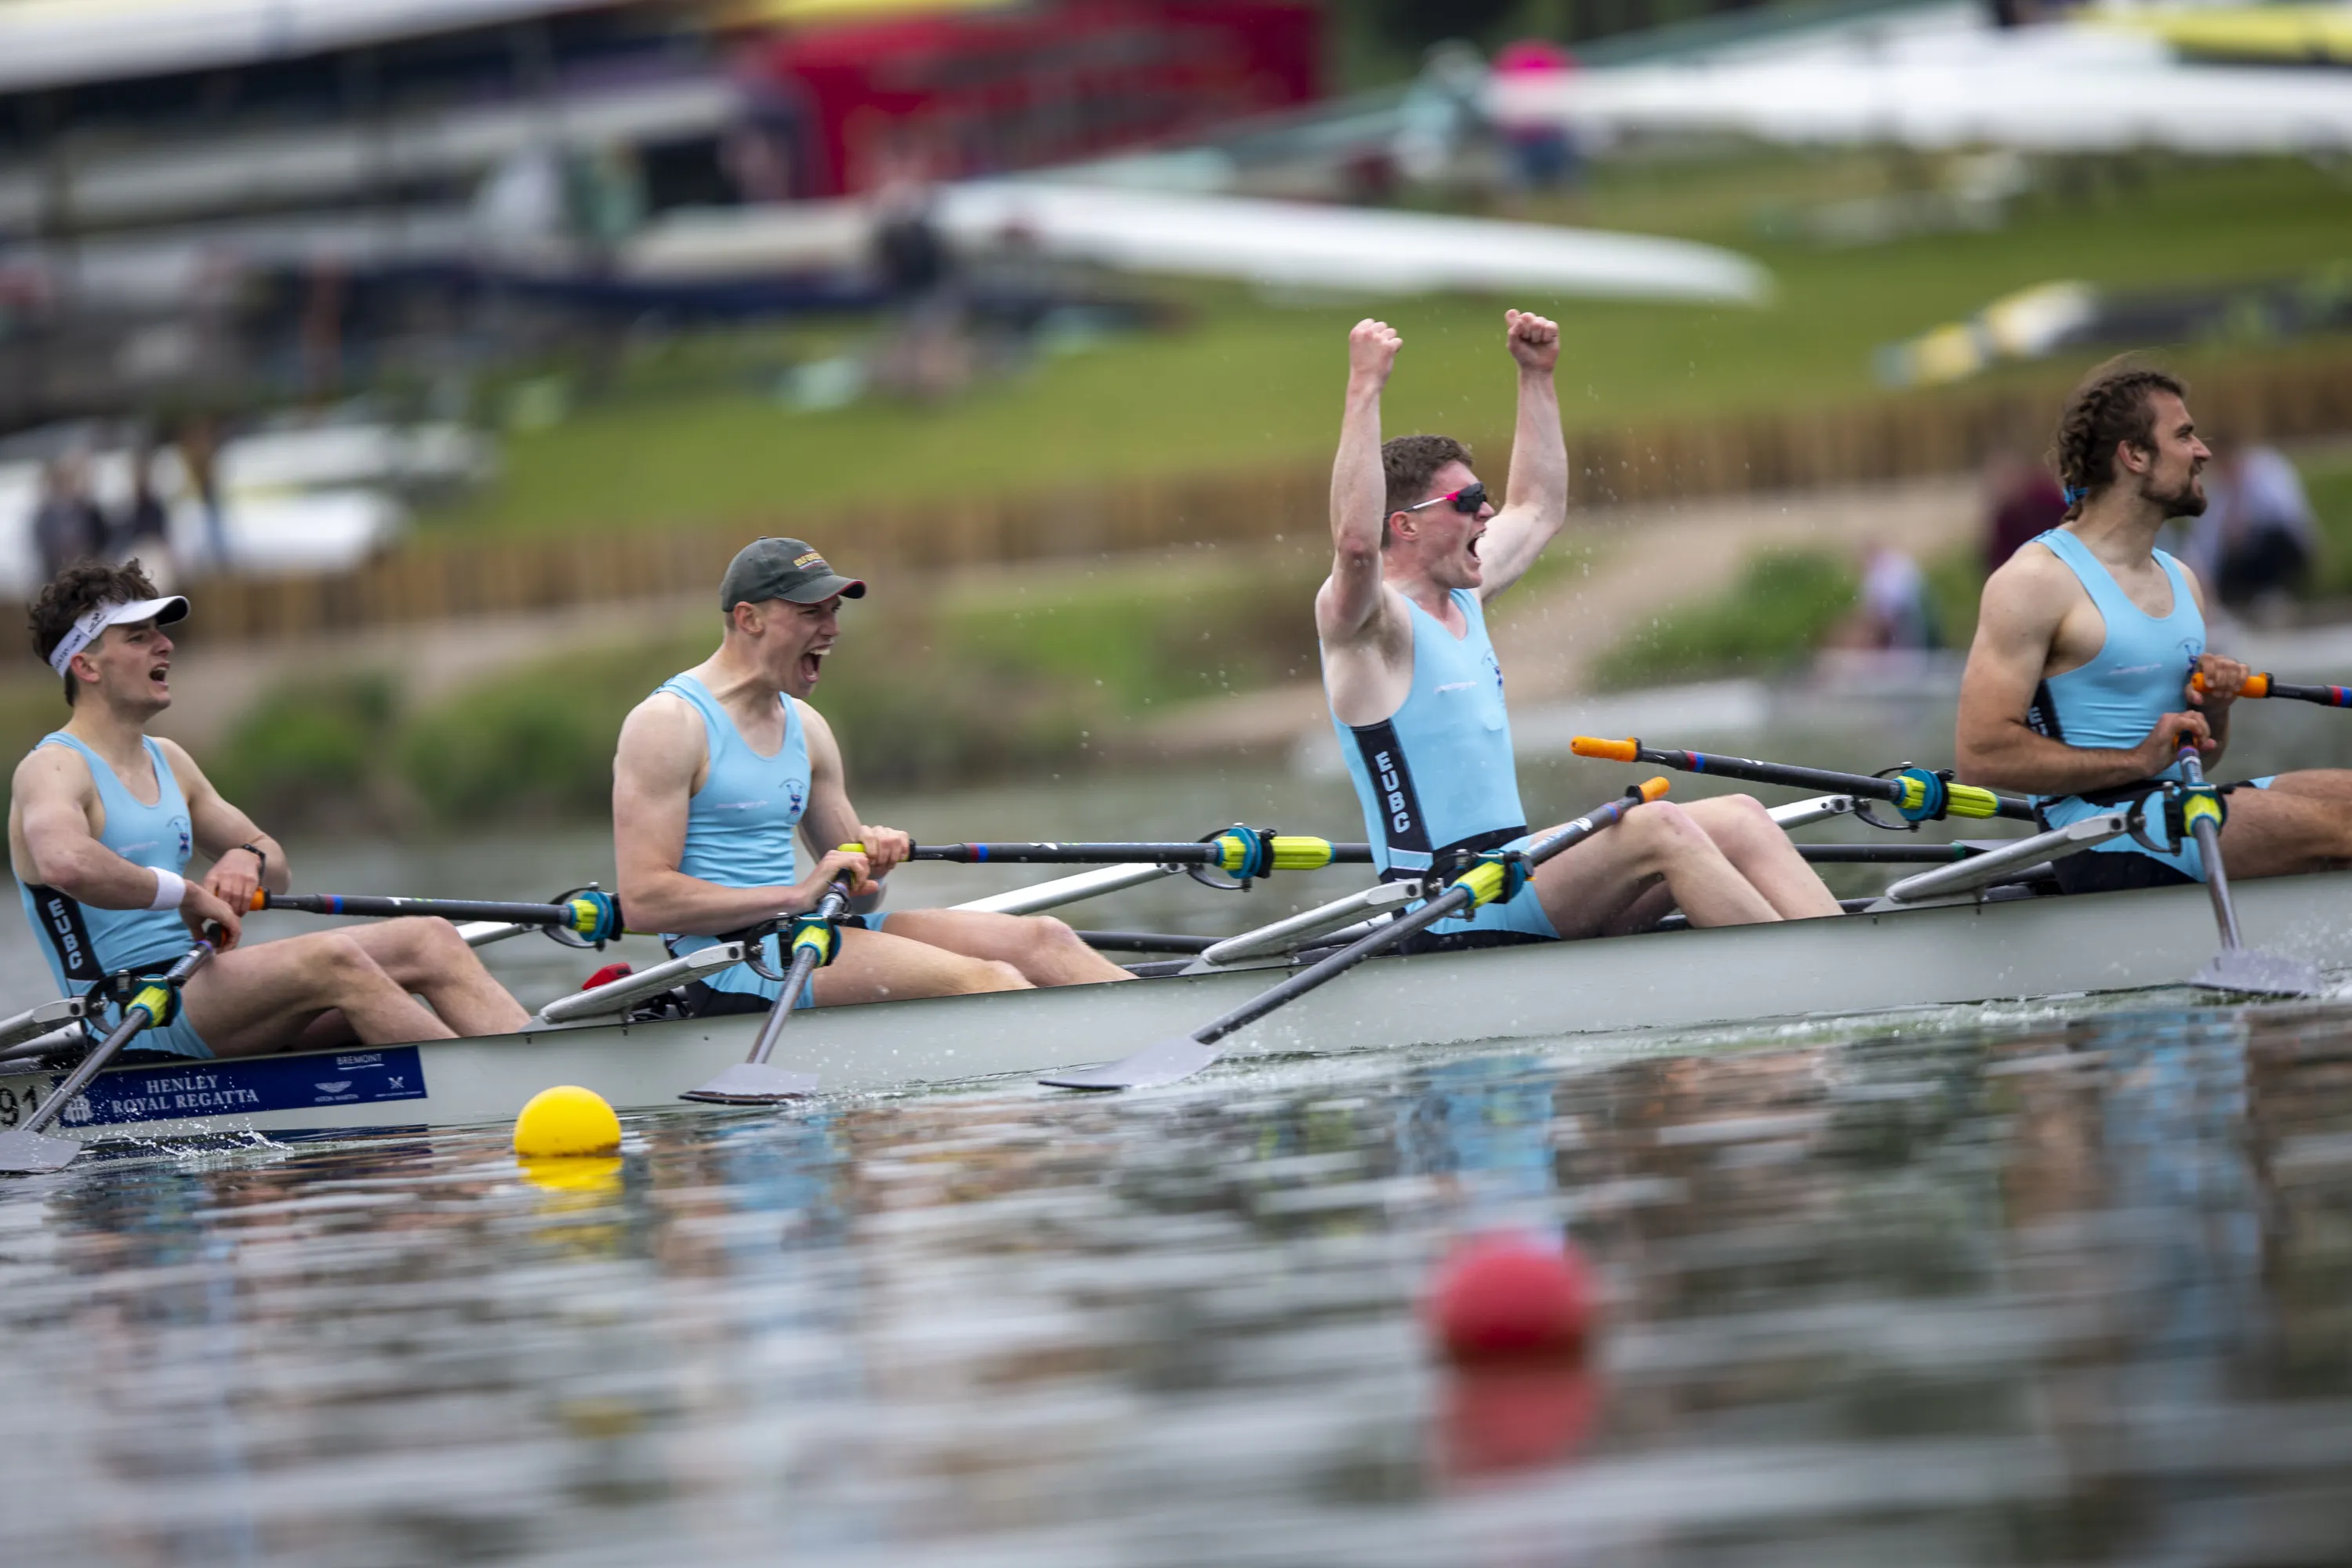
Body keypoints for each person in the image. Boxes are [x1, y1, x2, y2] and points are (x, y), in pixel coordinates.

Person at [1318, 314, 1844, 942]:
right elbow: (1356, 546)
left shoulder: (1466, 593)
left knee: (1741, 815)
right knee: (1660, 826)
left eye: (1483, 496)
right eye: (1468, 502)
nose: (1487, 511)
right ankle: (1800, 971)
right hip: (1442, 904)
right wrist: (1364, 387)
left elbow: (1538, 508)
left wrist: (1536, 377)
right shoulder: (1371, 625)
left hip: (1510, 874)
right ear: (1405, 525)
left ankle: (1841, 956)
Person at [9, 561, 531, 1060]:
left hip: (202, 987)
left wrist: (248, 859)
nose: (165, 645)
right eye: (138, 637)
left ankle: (537, 1071)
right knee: (332, 960)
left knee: (430, 937)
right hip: (125, 1011)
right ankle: (496, 1092)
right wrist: (189, 893)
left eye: (158, 633)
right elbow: (65, 864)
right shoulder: (52, 768)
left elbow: (274, 864)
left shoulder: (169, 760)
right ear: (86, 666)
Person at [611, 538, 1132, 1016]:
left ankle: (1158, 1042)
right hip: (728, 962)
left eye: (834, 611)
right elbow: (644, 901)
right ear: (750, 618)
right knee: (987, 980)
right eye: (811, 612)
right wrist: (797, 896)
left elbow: (858, 898)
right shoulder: (668, 724)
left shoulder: (807, 727)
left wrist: (873, 868)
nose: (832, 629)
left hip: (808, 934)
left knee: (1045, 940)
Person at [1955, 361, 2352, 893]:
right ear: (2135, 455)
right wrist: (2137, 759)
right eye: (2184, 435)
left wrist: (2215, 707)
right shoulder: (2035, 581)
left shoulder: (2182, 579)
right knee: (2342, 830)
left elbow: (2202, 756)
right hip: (2094, 834)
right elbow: (1980, 754)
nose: (2203, 452)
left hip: (2174, 807)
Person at [31, 454, 105, 579]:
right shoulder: (44, 518)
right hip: (57, 574)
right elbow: (43, 548)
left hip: (89, 571)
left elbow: (101, 539)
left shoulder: (88, 511)